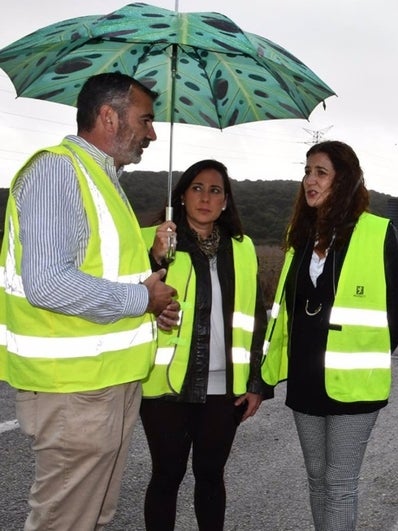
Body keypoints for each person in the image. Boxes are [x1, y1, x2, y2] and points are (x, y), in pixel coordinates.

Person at [0, 72, 178, 530]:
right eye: (145, 120)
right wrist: (142, 298)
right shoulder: (58, 171)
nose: (152, 133)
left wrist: (152, 290)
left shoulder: (103, 179)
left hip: (104, 385)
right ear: (108, 117)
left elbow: (97, 272)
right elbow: (48, 283)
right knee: (65, 522)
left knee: (92, 518)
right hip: (74, 390)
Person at [261, 140, 398, 531]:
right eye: (307, 171)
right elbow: (289, 309)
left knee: (340, 483)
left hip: (355, 383)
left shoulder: (377, 233)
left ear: (343, 180)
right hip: (306, 378)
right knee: (316, 477)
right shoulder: (300, 234)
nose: (310, 180)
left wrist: (365, 352)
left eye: (321, 173)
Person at [139, 159, 271, 531]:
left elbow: (255, 317)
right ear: (181, 196)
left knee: (211, 476)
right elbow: (127, 299)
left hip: (223, 386)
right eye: (197, 187)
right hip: (165, 384)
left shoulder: (241, 249)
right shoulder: (154, 239)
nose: (205, 197)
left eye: (215, 190)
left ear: (226, 202)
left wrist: (256, 383)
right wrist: (154, 255)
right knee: (167, 475)